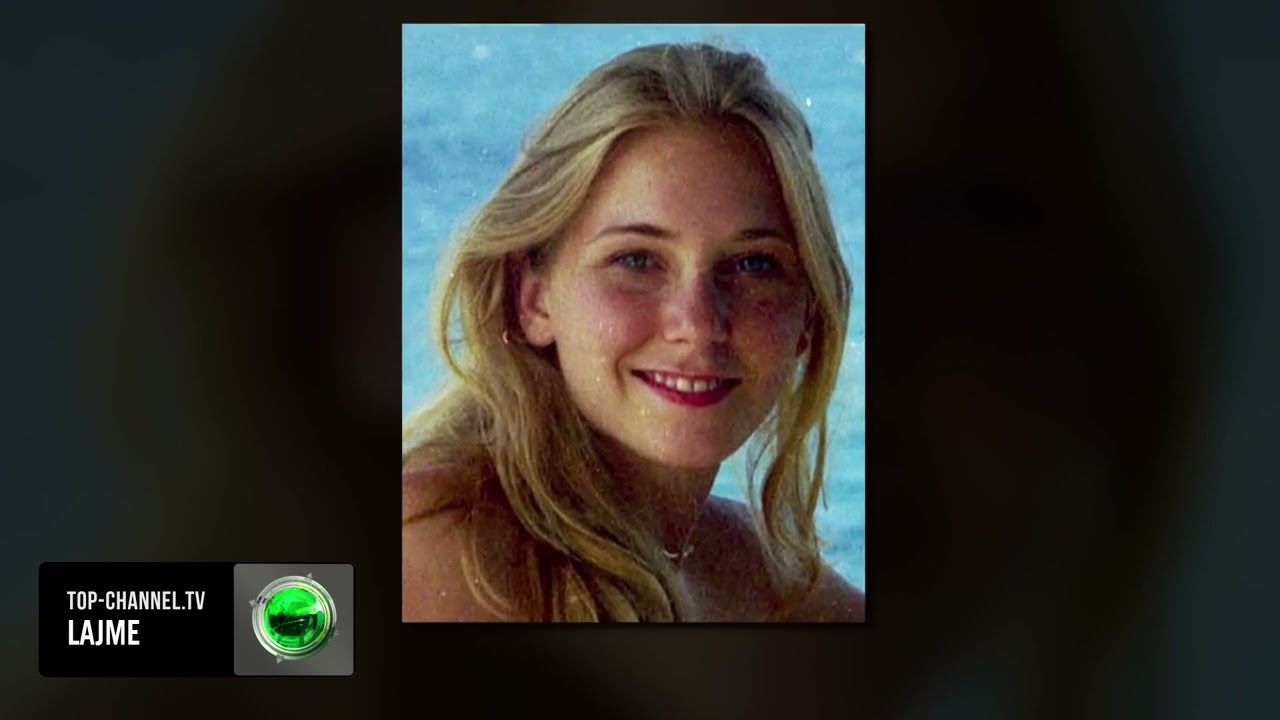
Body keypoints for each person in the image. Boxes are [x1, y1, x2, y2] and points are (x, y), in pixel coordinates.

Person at [402, 42, 864, 622]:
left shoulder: (746, 571)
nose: (698, 323)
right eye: (637, 260)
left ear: (808, 317)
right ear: (533, 297)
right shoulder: (433, 541)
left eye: (753, 264)